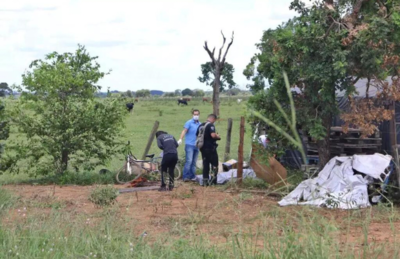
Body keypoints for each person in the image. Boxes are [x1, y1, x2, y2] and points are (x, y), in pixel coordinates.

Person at [197, 114, 221, 186]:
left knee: (205, 164)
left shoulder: (201, 125)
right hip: (210, 148)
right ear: (213, 119)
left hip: (202, 148)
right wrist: (218, 136)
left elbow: (197, 135)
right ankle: (213, 181)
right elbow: (213, 135)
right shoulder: (210, 125)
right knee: (214, 164)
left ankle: (205, 181)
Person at [178, 109, 201, 182]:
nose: (196, 116)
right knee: (189, 161)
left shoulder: (200, 124)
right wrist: (180, 139)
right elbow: (184, 131)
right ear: (192, 115)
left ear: (199, 115)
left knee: (194, 162)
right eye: (195, 114)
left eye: (197, 114)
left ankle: (192, 176)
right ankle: (185, 176)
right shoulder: (189, 123)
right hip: (189, 144)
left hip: (197, 145)